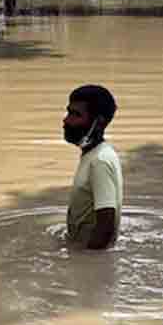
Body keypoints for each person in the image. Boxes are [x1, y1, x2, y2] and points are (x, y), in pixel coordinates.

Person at [63, 84, 123, 249]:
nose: (66, 120)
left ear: (99, 122)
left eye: (76, 115)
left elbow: (105, 228)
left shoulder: (100, 161)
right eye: (68, 112)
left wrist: (83, 264)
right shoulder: (93, 155)